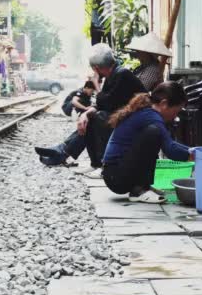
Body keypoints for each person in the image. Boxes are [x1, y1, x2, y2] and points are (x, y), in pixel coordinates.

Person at [35, 44, 146, 177]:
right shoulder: (115, 73)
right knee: (90, 117)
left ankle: (90, 161)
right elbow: (105, 102)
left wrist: (96, 84)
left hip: (137, 119)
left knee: (99, 118)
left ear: (96, 68)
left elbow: (106, 102)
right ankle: (90, 162)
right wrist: (86, 114)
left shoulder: (121, 74)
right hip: (126, 115)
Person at [102, 81, 192, 204]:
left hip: (116, 174)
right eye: (176, 111)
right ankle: (139, 190)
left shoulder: (147, 112)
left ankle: (142, 186)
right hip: (116, 177)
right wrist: (195, 155)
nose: (175, 116)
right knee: (153, 133)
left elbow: (171, 143)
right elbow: (171, 150)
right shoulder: (151, 116)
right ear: (164, 104)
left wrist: (193, 150)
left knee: (154, 134)